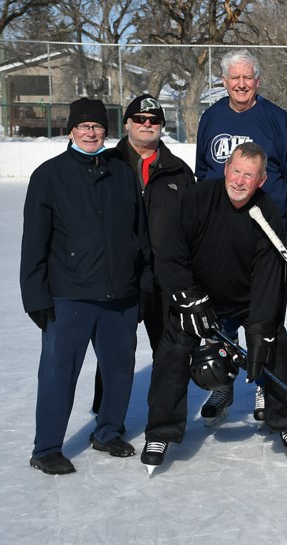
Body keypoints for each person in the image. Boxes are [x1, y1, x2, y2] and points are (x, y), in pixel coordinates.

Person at [141, 143, 287, 472]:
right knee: (172, 349)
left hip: (246, 299)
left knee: (277, 346)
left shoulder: (267, 210)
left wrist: (260, 331)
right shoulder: (196, 199)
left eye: (249, 175)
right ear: (225, 169)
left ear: (261, 180)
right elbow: (170, 252)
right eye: (236, 171)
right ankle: (161, 430)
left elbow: (268, 276)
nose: (240, 181)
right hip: (199, 297)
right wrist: (186, 295)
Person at [20, 97, 153, 475]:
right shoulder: (49, 175)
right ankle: (46, 448)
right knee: (58, 373)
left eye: (97, 126)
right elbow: (34, 245)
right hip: (69, 295)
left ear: (106, 131)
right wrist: (36, 298)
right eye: (83, 126)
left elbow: (139, 236)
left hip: (121, 295)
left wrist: (142, 286)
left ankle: (108, 431)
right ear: (71, 130)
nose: (91, 132)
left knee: (118, 370)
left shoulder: (122, 173)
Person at [195, 49, 287, 423]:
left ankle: (265, 385)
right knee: (222, 316)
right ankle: (223, 384)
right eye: (234, 78)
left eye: (248, 78)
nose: (241, 84)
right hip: (220, 234)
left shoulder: (277, 119)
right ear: (224, 81)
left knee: (265, 316)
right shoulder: (211, 118)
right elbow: (203, 174)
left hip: (267, 233)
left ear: (257, 80)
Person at [90, 94, 196, 415]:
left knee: (169, 350)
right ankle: (106, 416)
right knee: (116, 351)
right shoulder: (106, 164)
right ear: (127, 124)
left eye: (154, 120)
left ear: (162, 126)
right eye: (140, 119)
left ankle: (165, 419)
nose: (146, 125)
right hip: (119, 275)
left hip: (165, 277)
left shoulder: (178, 171)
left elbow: (194, 228)